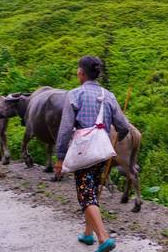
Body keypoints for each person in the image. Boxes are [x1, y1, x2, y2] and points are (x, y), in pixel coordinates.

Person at [55, 56, 130, 252]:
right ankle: (88, 234)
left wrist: (60, 156)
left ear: (81, 73)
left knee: (86, 194)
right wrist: (117, 137)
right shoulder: (109, 96)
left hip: (83, 152)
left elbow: (65, 130)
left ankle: (103, 237)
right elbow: (123, 126)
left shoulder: (74, 95)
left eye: (78, 70)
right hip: (101, 151)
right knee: (93, 189)